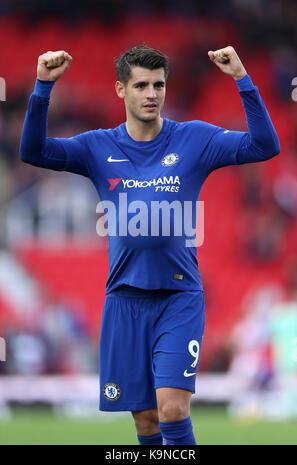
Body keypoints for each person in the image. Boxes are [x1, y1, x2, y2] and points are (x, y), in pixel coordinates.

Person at [20, 45, 280, 445]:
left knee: (172, 409)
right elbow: (33, 151)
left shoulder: (194, 139)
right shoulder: (97, 146)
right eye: (141, 85)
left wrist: (242, 80)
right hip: (124, 300)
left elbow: (265, 145)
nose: (151, 94)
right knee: (145, 421)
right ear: (121, 90)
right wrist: (42, 88)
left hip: (179, 297)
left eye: (158, 84)